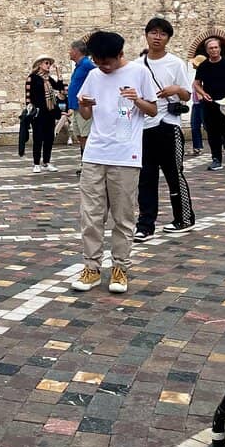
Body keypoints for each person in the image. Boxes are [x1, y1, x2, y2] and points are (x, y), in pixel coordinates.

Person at [71, 31, 157, 294]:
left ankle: (120, 267)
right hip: (95, 153)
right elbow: (87, 111)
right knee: (91, 215)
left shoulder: (139, 72)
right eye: (97, 61)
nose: (102, 67)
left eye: (106, 62)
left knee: (123, 216)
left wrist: (136, 99)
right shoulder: (94, 75)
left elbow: (153, 109)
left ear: (120, 55)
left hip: (126, 155)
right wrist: (84, 104)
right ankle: (92, 268)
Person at [135, 18, 195, 242]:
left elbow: (188, 95)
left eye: (162, 34)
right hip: (144, 127)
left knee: (174, 174)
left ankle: (184, 218)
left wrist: (176, 89)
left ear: (168, 38)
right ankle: (145, 225)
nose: (157, 37)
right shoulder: (137, 65)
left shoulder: (176, 63)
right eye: (153, 32)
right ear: (147, 35)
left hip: (169, 125)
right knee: (146, 178)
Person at [194, 39, 225, 171]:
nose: (213, 50)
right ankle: (216, 159)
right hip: (210, 103)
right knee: (212, 131)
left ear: (220, 49)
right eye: (211, 48)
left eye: (215, 47)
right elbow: (196, 84)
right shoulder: (203, 66)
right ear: (207, 50)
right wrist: (203, 93)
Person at [27, 55, 66, 173]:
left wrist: (58, 72)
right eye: (46, 63)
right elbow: (28, 95)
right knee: (38, 138)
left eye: (49, 63)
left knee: (49, 138)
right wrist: (29, 109)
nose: (49, 65)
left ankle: (47, 162)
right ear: (39, 64)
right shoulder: (32, 77)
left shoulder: (49, 78)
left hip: (50, 112)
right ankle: (36, 163)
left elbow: (59, 88)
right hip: (38, 113)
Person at [67, 40, 96, 175]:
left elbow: (97, 75)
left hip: (82, 107)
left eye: (71, 50)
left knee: (85, 136)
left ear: (77, 51)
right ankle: (85, 163)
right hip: (75, 107)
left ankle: (89, 164)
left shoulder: (86, 65)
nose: (69, 52)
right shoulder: (79, 66)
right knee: (80, 136)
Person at [188, 55, 206, 156]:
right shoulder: (197, 75)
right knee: (195, 126)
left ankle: (220, 145)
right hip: (196, 104)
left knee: (208, 126)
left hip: (202, 104)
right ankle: (197, 147)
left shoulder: (204, 75)